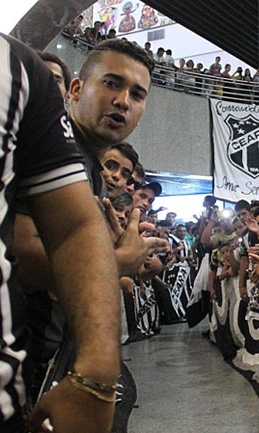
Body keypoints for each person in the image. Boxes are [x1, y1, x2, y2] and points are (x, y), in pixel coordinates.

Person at [0, 33, 120, 433]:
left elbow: (74, 229)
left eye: (138, 94)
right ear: (75, 90)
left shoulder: (16, 68)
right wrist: (119, 261)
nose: (122, 101)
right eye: (112, 83)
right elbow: (26, 251)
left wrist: (96, 375)